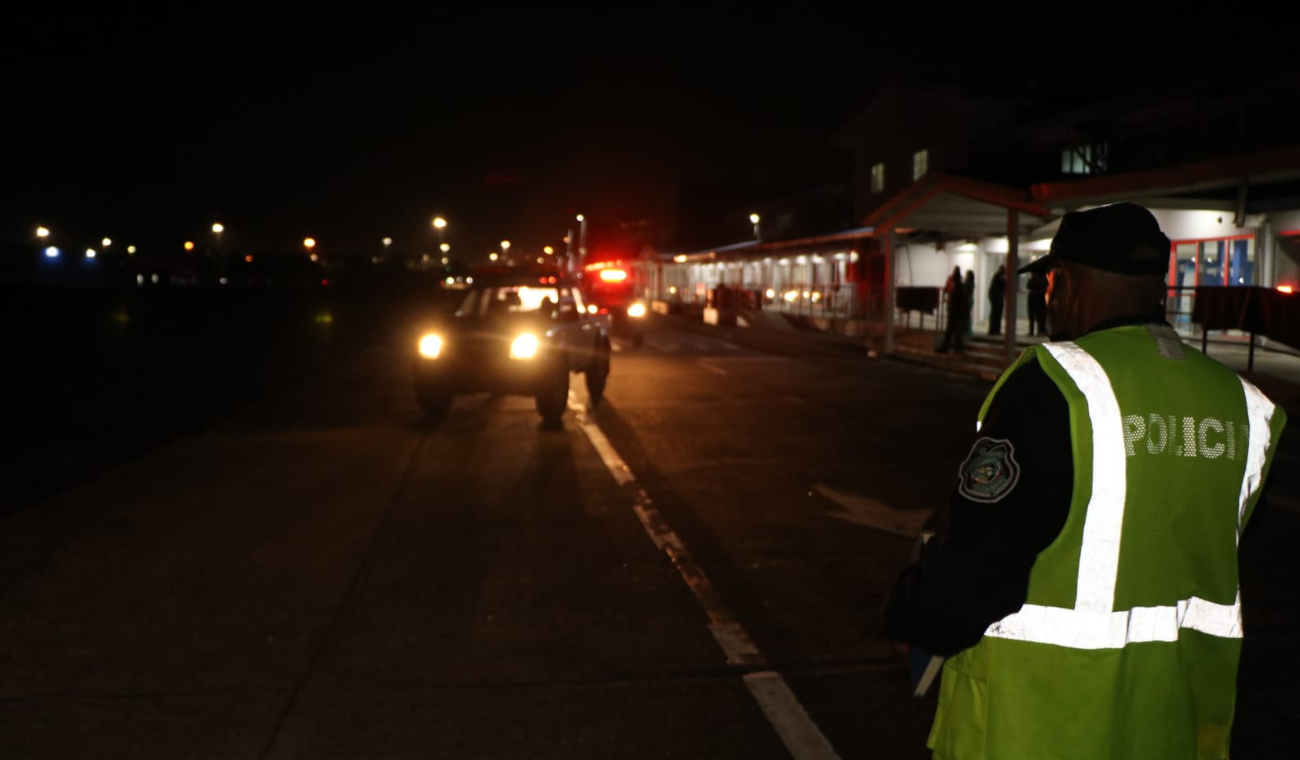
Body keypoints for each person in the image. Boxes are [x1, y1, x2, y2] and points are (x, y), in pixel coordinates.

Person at [883, 202, 1288, 760]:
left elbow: (984, 561)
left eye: (1049, 282)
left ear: (1066, 283)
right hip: (1173, 725)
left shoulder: (1056, 386)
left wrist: (912, 612)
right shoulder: (1241, 405)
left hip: (1039, 726)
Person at [936, 266, 966, 354]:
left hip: (955, 311)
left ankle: (950, 348)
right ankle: (956, 348)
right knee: (954, 330)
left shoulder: (956, 284)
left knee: (951, 330)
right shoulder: (959, 283)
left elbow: (950, 293)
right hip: (956, 311)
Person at [1026, 268, 1048, 336]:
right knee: (1040, 317)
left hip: (1033, 299)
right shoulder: (1045, 279)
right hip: (1041, 299)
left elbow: (1028, 286)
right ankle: (1040, 331)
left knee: (1032, 316)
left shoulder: (1033, 279)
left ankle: (1032, 331)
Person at [987, 264, 1007, 335]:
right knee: (996, 314)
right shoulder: (999, 276)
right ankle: (994, 330)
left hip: (996, 297)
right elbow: (1004, 284)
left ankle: (995, 330)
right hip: (997, 297)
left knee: (996, 314)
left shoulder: (998, 276)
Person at [962, 270, 975, 336]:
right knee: (966, 316)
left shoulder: (969, 283)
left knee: (966, 316)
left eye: (967, 274)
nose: (966, 276)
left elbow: (968, 291)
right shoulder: (970, 283)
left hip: (968, 300)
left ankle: (967, 330)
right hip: (969, 300)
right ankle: (966, 330)